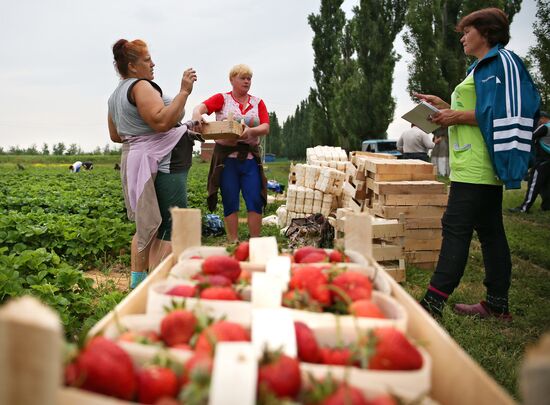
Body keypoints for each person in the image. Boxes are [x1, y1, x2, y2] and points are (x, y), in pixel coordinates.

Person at [415, 8, 540, 320]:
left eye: (466, 31)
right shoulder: (480, 67)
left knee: (455, 228)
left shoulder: (503, 62)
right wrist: (443, 106)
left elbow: (511, 110)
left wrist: (454, 116)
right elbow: (481, 109)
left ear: (485, 32)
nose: (461, 37)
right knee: (490, 232)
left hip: (479, 164)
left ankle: (432, 304)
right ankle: (497, 304)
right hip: (471, 161)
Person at [107, 38, 198, 289]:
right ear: (133, 66)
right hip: (163, 160)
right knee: (169, 226)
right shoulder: (141, 86)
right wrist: (184, 92)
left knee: (147, 225)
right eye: (147, 60)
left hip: (136, 160)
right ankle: (157, 290)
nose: (152, 63)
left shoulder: (116, 95)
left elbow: (116, 135)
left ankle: (138, 284)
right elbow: (161, 121)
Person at [192, 64, 270, 242]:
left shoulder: (258, 102)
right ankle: (233, 241)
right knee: (230, 199)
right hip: (227, 161)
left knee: (254, 199)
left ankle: (255, 241)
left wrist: (251, 132)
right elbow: (200, 108)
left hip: (250, 159)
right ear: (232, 80)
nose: (247, 81)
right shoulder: (222, 99)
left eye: (249, 78)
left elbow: (265, 126)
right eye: (242, 78)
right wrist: (196, 114)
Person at [509, 111, 550, 213]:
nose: (538, 122)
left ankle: (524, 208)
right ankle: (547, 206)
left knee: (533, 184)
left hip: (542, 161)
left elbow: (530, 137)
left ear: (543, 118)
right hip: (548, 161)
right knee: (547, 185)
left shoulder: (545, 127)